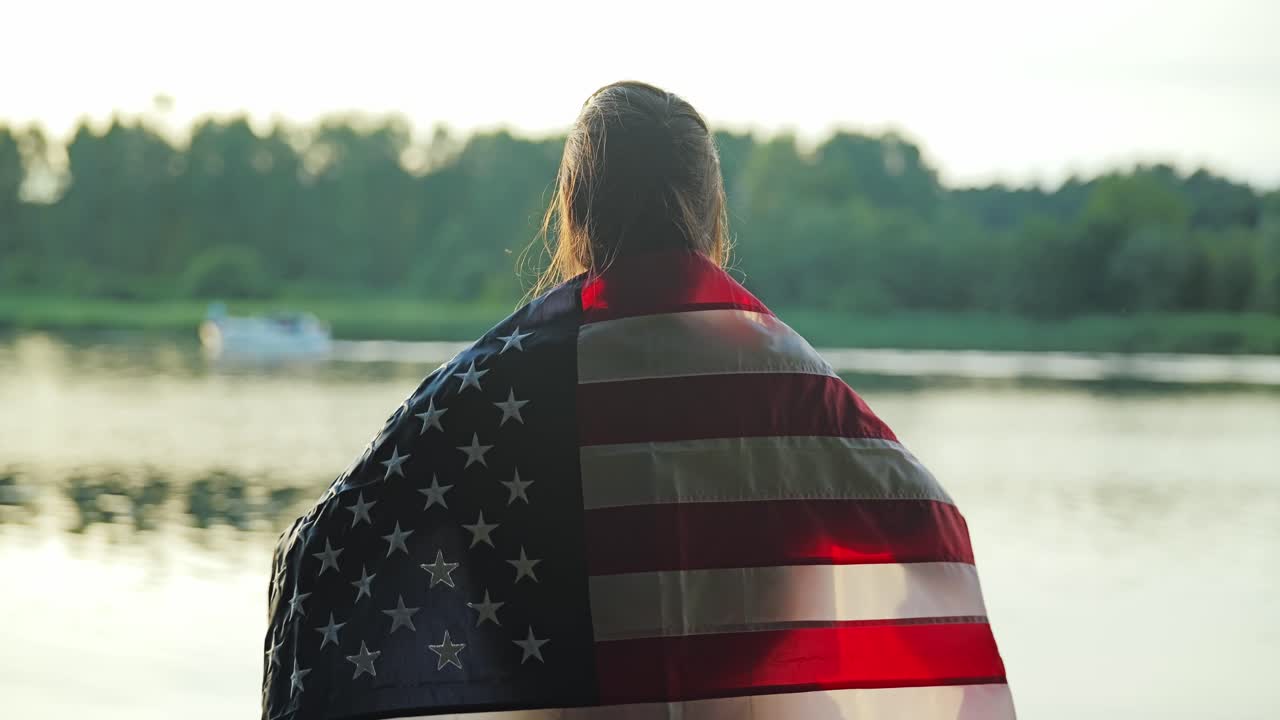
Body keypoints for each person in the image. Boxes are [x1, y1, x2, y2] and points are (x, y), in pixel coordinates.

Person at [262, 81, 1013, 720]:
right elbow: (932, 534)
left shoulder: (492, 392)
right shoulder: (795, 392)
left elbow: (321, 559)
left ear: (575, 212)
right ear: (711, 213)